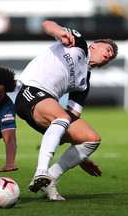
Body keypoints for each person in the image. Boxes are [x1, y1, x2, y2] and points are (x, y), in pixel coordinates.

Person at [15, 20, 118, 200]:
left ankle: (50, 179)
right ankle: (41, 171)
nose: (109, 56)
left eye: (111, 57)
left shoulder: (83, 83)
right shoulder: (78, 43)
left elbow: (73, 116)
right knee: (62, 118)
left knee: (91, 139)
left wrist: (81, 156)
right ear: (94, 45)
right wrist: (60, 32)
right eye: (108, 50)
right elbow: (47, 24)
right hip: (30, 92)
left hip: (48, 108)